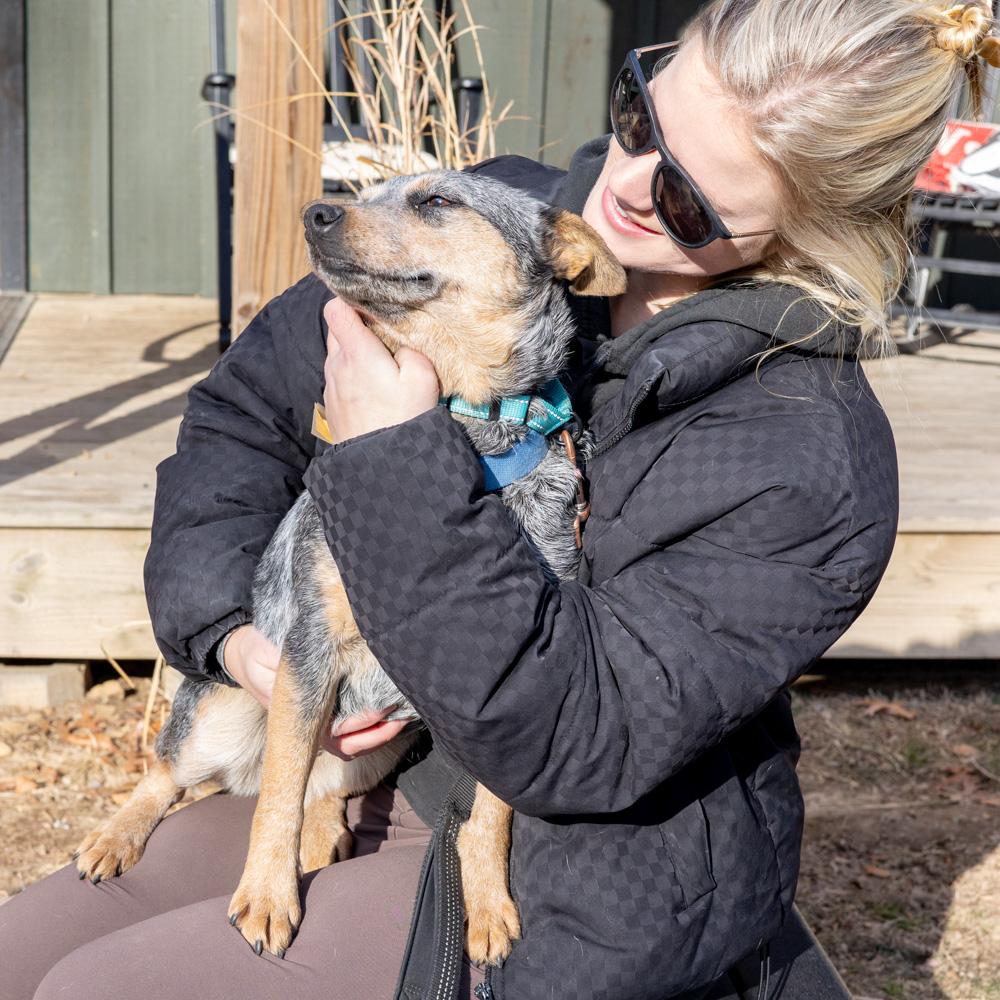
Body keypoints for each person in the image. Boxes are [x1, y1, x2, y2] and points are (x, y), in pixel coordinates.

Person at [4, 2, 997, 998]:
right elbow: (236, 425)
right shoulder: (476, 220)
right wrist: (231, 634)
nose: (627, 188)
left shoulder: (802, 457)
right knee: (20, 955)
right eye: (639, 117)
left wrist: (393, 454)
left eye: (690, 202)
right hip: (356, 750)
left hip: (571, 863)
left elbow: (578, 738)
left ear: (806, 228)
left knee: (97, 987)